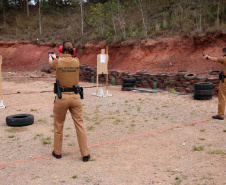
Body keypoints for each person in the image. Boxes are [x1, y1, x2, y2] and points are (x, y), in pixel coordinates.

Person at [49, 41, 90, 161]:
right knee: (80, 125)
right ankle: (85, 154)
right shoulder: (76, 61)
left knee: (58, 125)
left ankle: (57, 152)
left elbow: (52, 63)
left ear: (61, 49)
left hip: (62, 98)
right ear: (73, 51)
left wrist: (52, 57)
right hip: (75, 97)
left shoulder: (58, 61)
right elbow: (68, 62)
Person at [204, 48, 226, 120]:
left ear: (224, 52)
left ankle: (220, 114)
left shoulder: (224, 58)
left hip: (225, 80)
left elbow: (215, 59)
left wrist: (207, 57)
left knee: (222, 97)